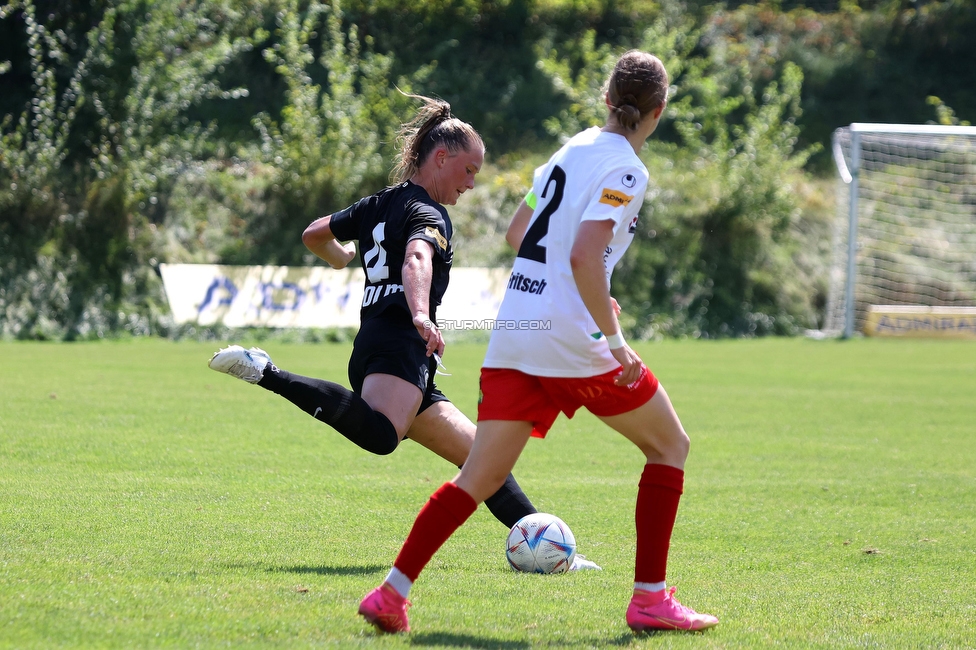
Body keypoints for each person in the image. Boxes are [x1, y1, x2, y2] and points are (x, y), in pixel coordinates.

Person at [359, 51, 719, 635]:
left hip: (516, 331)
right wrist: (613, 334)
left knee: (476, 478)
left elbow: (518, 232)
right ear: (658, 111)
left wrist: (584, 287)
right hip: (571, 337)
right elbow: (582, 256)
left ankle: (391, 594)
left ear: (606, 99)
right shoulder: (627, 168)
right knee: (670, 446)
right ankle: (650, 598)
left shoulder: (570, 149)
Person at [207, 95, 599, 569]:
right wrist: (420, 313)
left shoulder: (378, 204)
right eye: (470, 170)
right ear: (441, 157)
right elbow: (418, 257)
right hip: (400, 343)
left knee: (483, 460)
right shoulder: (428, 214)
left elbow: (315, 233)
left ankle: (556, 554)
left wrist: (343, 258)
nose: (472, 183)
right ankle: (267, 372)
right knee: (381, 435)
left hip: (383, 345)